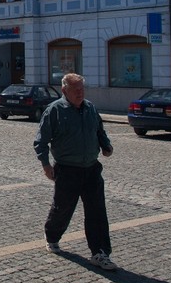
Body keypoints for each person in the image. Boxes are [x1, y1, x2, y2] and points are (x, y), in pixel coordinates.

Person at [33, 73, 118, 271]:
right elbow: (41, 140)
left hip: (91, 168)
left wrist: (106, 146)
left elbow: (99, 131)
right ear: (64, 91)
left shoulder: (90, 108)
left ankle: (100, 253)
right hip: (66, 169)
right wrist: (46, 165)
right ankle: (52, 235)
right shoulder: (54, 110)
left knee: (97, 211)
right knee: (62, 208)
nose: (80, 93)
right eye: (75, 89)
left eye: (82, 88)